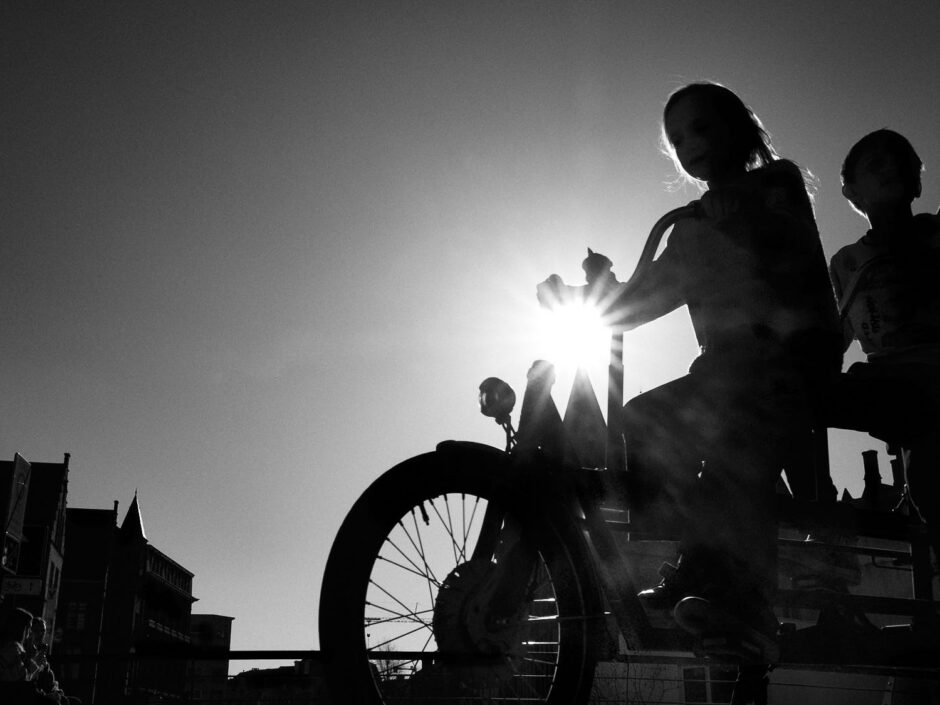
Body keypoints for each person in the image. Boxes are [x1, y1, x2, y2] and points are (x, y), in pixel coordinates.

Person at [543, 82, 842, 643]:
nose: (689, 145)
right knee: (639, 420)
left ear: (739, 128)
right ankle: (700, 561)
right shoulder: (690, 230)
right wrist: (589, 294)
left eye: (701, 128)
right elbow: (638, 302)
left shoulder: (777, 183)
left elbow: (780, 232)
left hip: (792, 359)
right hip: (727, 373)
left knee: (733, 438)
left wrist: (738, 207)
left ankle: (747, 595)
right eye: (678, 139)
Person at [828, 129, 940, 566]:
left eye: (903, 162)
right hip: (887, 381)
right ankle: (822, 539)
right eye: (876, 164)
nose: (892, 167)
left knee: (931, 476)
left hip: (931, 378)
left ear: (917, 182)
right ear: (851, 191)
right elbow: (833, 336)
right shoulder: (847, 263)